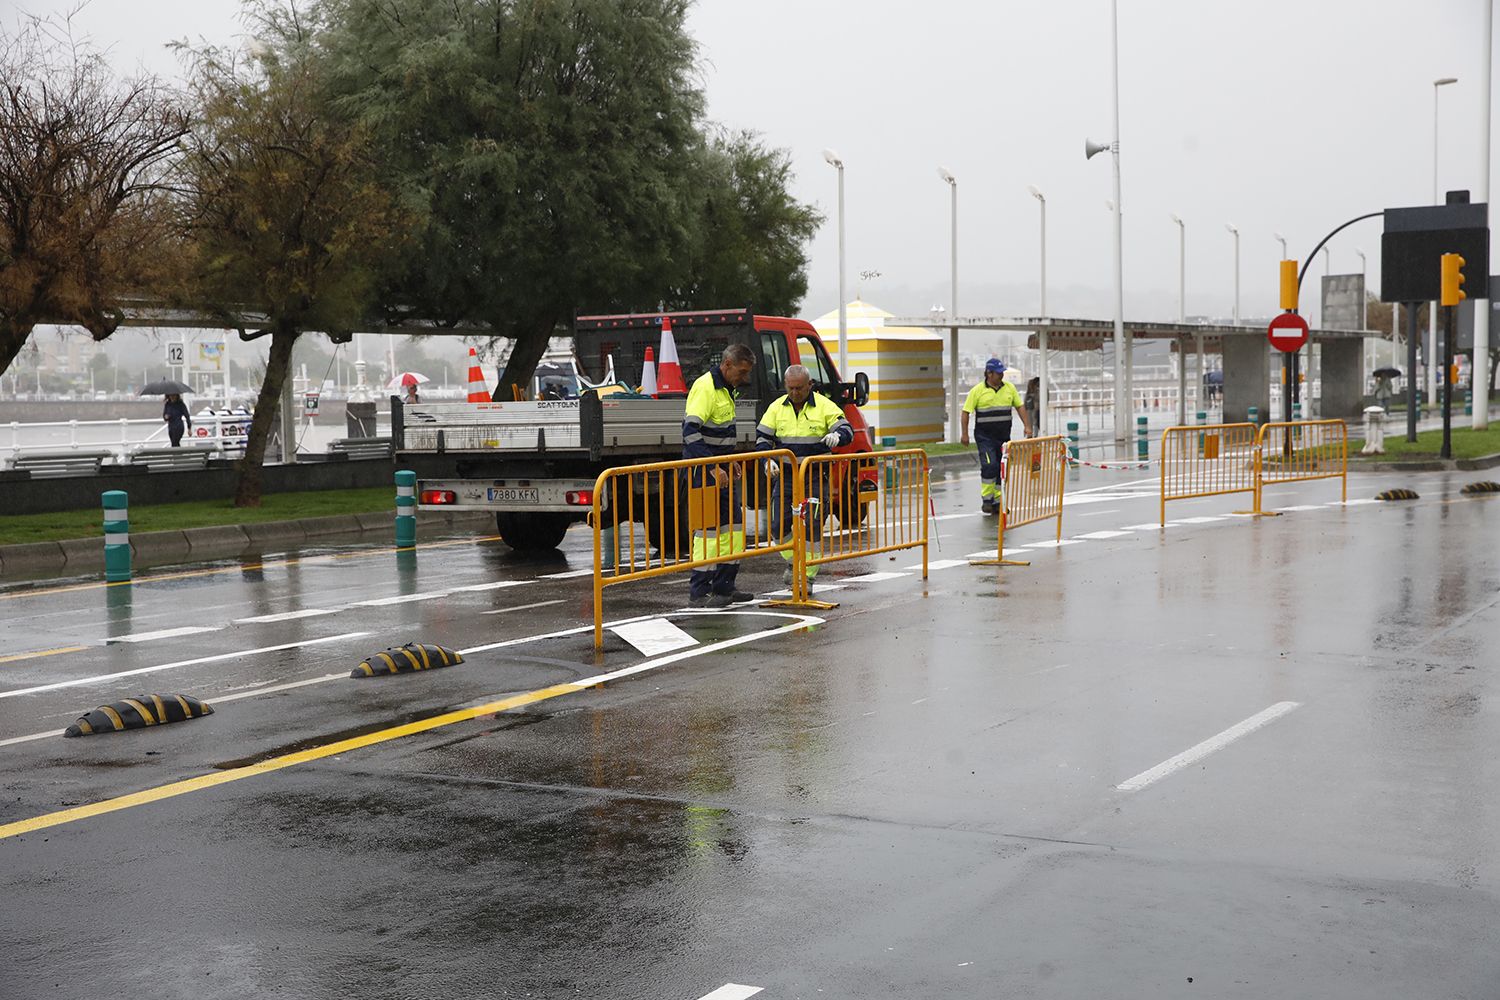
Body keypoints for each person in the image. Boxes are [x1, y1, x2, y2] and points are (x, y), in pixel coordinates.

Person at [756, 364, 853, 593]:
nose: (795, 393)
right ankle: (793, 562)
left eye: (799, 388)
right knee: (777, 525)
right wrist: (766, 461)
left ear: (809, 385)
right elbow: (762, 438)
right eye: (790, 388)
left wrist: (836, 436)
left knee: (812, 526)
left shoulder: (824, 406)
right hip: (787, 475)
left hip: (815, 475)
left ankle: (806, 577)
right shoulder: (776, 407)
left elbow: (846, 430)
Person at [682, 343, 757, 607]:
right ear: (727, 365)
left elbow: (721, 432)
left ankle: (725, 586)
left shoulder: (726, 389)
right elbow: (691, 432)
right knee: (707, 533)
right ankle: (699, 592)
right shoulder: (706, 387)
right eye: (742, 371)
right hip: (704, 473)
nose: (744, 378)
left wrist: (730, 461)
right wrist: (712, 465)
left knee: (732, 528)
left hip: (720, 470)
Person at [960, 358, 1033, 515]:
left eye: (1002, 373)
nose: (1001, 376)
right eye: (998, 373)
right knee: (989, 465)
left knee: (1002, 468)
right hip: (985, 437)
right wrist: (964, 434)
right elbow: (966, 412)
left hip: (1003, 437)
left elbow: (1020, 407)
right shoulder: (977, 391)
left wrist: (1027, 426)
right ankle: (987, 499)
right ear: (989, 373)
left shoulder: (1009, 388)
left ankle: (998, 501)